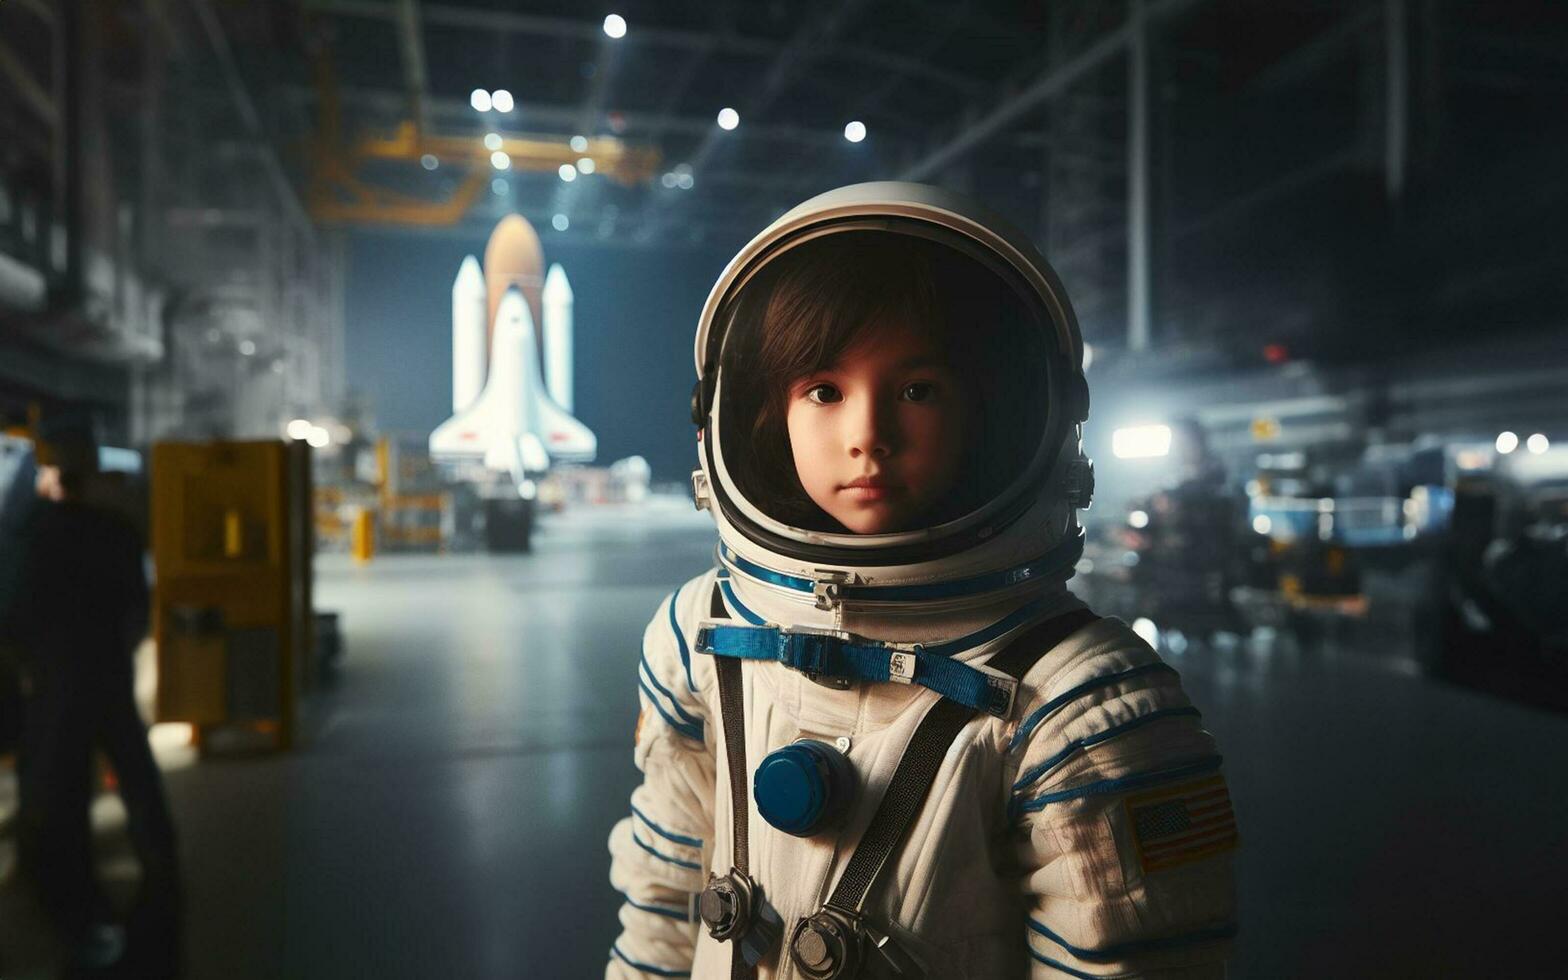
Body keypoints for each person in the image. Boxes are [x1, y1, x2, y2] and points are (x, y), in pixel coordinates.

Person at [606, 183, 1237, 979]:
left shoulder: (1082, 709)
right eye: (824, 391)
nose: (867, 436)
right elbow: (662, 905)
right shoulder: (699, 636)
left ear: (990, 414)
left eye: (916, 390)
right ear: (763, 419)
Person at [4, 418, 181, 973]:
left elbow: (13, 616)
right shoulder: (117, 532)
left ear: (53, 476)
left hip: (58, 685)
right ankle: (160, 860)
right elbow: (136, 606)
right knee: (135, 770)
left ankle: (82, 907)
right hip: (109, 673)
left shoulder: (33, 538)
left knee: (62, 788)